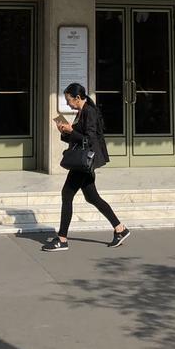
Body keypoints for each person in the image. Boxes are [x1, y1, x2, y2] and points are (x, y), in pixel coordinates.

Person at [42, 83, 130, 252]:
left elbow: (90, 140)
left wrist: (71, 130)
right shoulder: (82, 112)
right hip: (82, 161)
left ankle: (62, 239)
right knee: (92, 197)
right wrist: (65, 131)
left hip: (84, 162)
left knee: (67, 194)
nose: (68, 104)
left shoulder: (89, 112)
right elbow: (77, 139)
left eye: (69, 100)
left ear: (78, 98)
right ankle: (120, 229)